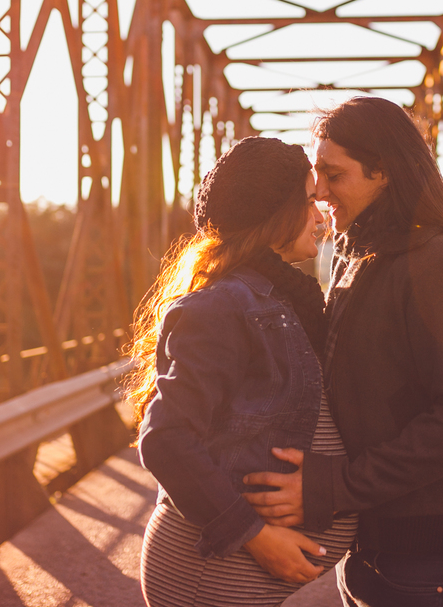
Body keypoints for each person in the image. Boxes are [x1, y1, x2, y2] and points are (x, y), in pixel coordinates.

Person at [242, 97, 443, 607]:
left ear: (384, 171)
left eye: (333, 174)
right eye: (316, 174)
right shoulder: (363, 260)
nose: (320, 191)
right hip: (382, 536)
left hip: (434, 548)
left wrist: (333, 486)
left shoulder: (439, 263)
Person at [128, 136, 358, 607]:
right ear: (273, 211)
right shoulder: (225, 305)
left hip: (228, 576)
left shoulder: (280, 300)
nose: (321, 216)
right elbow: (166, 439)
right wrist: (254, 534)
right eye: (310, 201)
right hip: (207, 576)